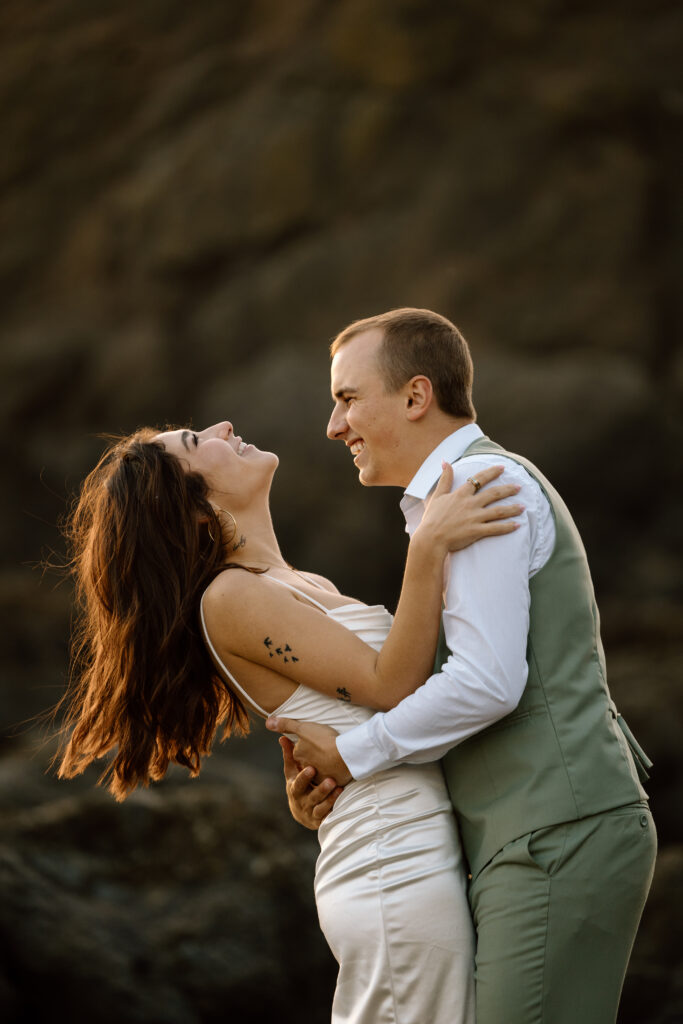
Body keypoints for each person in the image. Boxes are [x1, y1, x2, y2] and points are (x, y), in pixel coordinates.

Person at [57, 419, 524, 1024]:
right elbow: (393, 685)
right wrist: (428, 544)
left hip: (416, 849)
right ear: (196, 510)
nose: (223, 426)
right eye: (198, 443)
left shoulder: (297, 584)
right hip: (394, 864)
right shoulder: (230, 597)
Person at [266, 307, 657, 1024]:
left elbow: (485, 682)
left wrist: (351, 758)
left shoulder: (479, 488)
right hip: (537, 833)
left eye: (347, 399)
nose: (332, 425)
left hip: (556, 834)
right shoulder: (451, 501)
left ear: (415, 397)